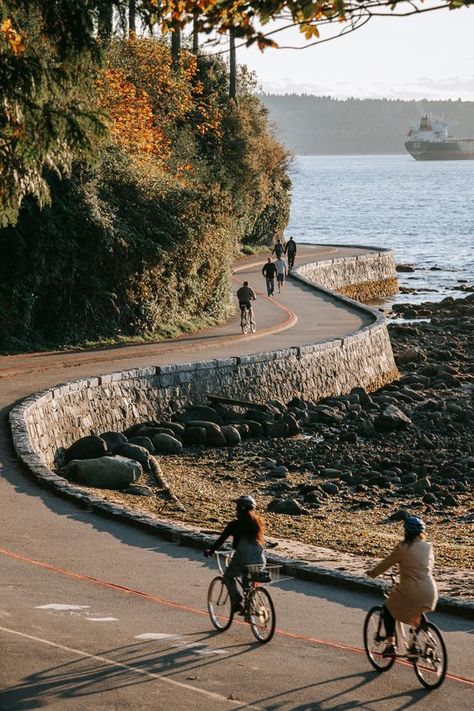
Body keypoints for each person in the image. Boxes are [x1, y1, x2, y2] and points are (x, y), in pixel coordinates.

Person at [366, 515, 438, 658]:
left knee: (388, 609)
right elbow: (424, 566)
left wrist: (373, 573)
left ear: (406, 532)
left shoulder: (402, 548)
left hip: (411, 590)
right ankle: (422, 641)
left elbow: (387, 563)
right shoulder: (428, 547)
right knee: (418, 611)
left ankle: (390, 644)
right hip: (430, 590)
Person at [204, 495, 266, 613]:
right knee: (248, 581)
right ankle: (250, 610)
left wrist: (211, 551)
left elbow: (221, 540)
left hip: (243, 558)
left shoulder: (234, 525)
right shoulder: (257, 525)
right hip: (259, 558)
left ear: (238, 510)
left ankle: (237, 600)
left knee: (228, 576)